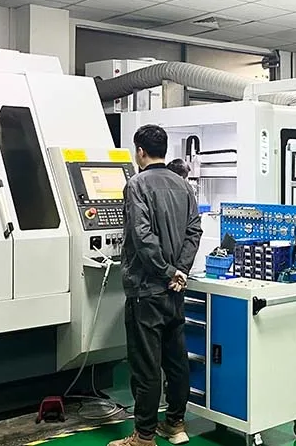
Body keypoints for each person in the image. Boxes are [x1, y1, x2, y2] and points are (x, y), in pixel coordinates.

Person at [110, 125, 203, 446]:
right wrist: (180, 271)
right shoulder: (183, 185)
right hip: (175, 291)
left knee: (146, 366)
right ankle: (175, 424)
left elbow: (141, 236)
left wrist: (166, 272)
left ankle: (144, 436)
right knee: (176, 361)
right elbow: (194, 231)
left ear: (140, 151)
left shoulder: (136, 185)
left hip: (146, 291)